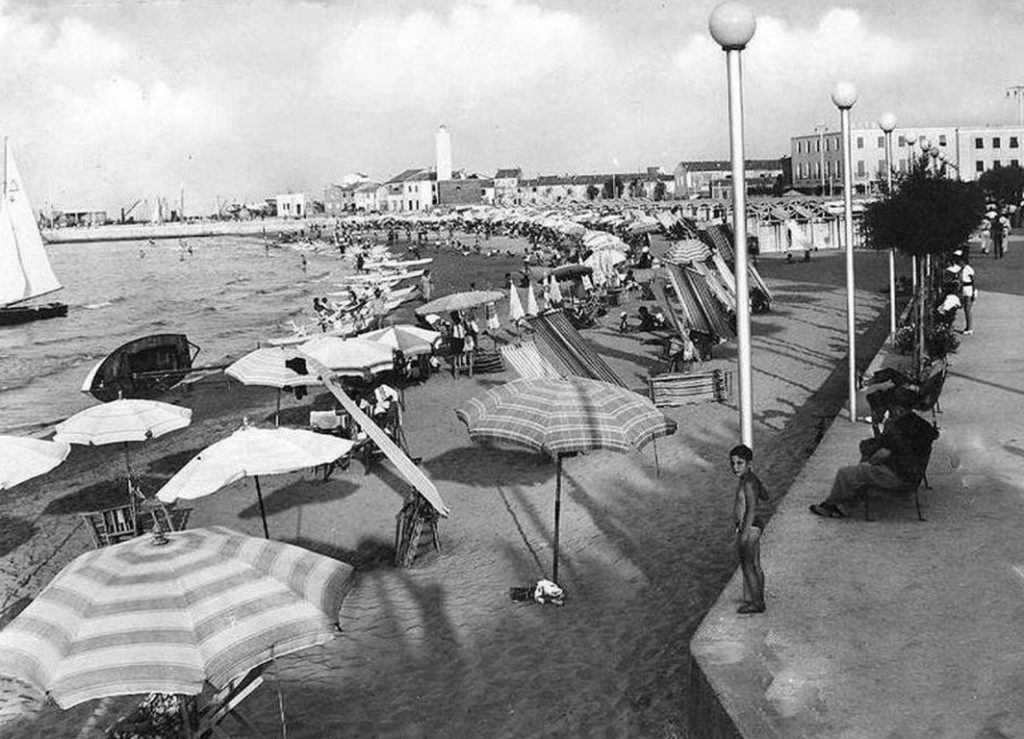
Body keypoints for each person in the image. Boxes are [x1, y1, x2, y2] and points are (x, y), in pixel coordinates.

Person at [809, 388, 938, 519]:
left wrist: (866, 463)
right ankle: (845, 506)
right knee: (862, 473)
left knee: (846, 474)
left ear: (898, 409)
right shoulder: (919, 423)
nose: (889, 411)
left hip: (899, 476)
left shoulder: (898, 427)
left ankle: (830, 505)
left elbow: (882, 452)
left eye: (891, 408)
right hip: (913, 473)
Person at [730, 444, 768, 615]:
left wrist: (743, 534)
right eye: (733, 463)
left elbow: (751, 508)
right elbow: (766, 495)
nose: (735, 467)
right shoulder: (751, 479)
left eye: (739, 463)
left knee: (748, 566)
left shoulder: (748, 483)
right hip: (754, 525)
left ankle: (757, 603)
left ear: (749, 463)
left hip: (749, 527)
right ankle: (759, 599)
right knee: (755, 565)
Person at [955, 252, 975, 335]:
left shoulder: (968, 269)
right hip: (963, 289)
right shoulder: (961, 269)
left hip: (968, 289)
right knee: (965, 309)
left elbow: (972, 280)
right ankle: (967, 327)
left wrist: (973, 291)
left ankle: (970, 328)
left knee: (967, 309)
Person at [448, 311, 467, 378]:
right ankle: (458, 367)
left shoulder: (458, 323)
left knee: (457, 355)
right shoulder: (457, 323)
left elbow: (451, 332)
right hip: (458, 339)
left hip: (457, 339)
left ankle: (457, 367)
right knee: (458, 355)